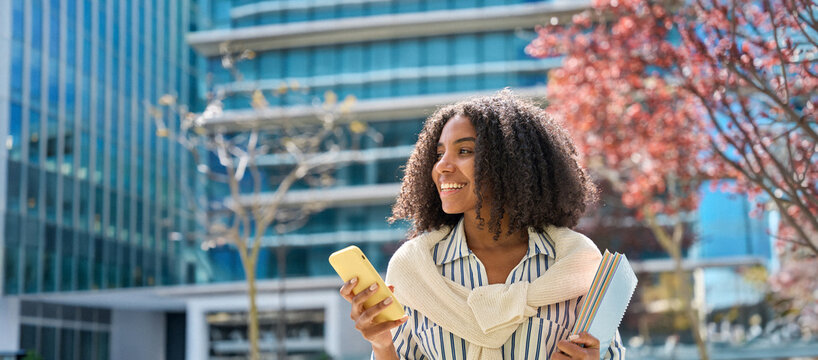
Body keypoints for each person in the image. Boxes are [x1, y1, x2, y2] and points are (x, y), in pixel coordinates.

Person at [339, 90, 626, 359]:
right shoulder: (415, 268)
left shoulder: (576, 264)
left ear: (509, 162)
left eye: (464, 151)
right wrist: (381, 343)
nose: (442, 166)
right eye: (439, 154)